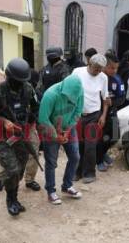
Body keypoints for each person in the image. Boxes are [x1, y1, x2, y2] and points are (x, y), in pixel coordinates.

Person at [0, 58, 39, 216]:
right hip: (3, 137)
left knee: (20, 168)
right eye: (17, 81)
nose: (20, 84)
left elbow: (35, 107)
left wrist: (31, 122)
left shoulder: (27, 88)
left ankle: (10, 190)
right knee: (12, 169)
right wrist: (3, 121)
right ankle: (11, 200)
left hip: (22, 133)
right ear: (8, 77)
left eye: (22, 81)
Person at [38, 74, 84, 205]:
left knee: (75, 156)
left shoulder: (79, 92)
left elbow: (78, 112)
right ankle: (51, 191)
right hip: (50, 129)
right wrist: (56, 136)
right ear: (64, 90)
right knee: (51, 162)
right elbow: (43, 119)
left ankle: (67, 186)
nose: (72, 100)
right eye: (69, 98)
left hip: (69, 127)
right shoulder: (50, 95)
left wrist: (68, 130)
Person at [73, 54, 109, 184]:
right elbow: (71, 91)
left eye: (100, 70)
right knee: (78, 145)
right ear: (89, 64)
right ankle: (77, 171)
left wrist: (103, 116)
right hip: (78, 114)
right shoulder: (77, 72)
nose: (98, 72)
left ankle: (89, 173)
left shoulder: (103, 78)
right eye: (96, 69)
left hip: (94, 115)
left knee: (90, 146)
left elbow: (105, 99)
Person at [96, 52, 125, 172]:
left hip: (111, 112)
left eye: (116, 68)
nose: (114, 70)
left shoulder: (117, 80)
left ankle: (102, 154)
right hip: (97, 113)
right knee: (98, 137)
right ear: (104, 66)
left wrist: (113, 103)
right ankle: (98, 161)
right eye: (112, 67)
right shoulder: (96, 78)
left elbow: (122, 98)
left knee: (115, 135)